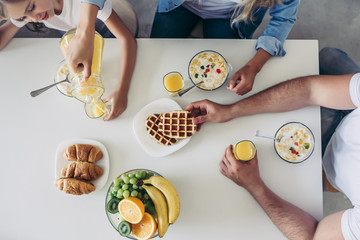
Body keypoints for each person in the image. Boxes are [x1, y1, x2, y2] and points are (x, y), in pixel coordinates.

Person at [186, 47, 360, 239]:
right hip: (349, 119)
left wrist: (254, 185)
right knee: (328, 56)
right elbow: (310, 90)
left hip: (331, 162)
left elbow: (313, 236)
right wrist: (231, 110)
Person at [0, 0, 137, 121]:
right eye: (23, 17)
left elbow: (128, 40)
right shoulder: (32, 11)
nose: (34, 19)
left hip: (112, 35)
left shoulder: (82, 4)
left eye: (31, 8)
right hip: (77, 34)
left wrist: (123, 90)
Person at [151, 0, 300, 95]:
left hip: (230, 16)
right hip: (179, 5)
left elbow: (284, 17)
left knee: (222, 88)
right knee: (154, 61)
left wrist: (254, 66)